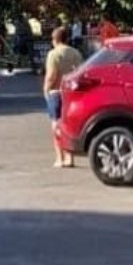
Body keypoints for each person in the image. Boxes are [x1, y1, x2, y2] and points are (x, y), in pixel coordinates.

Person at [43, 25, 84, 168]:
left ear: (54, 39)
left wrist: (46, 89)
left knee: (56, 124)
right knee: (68, 125)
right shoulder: (76, 53)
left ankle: (59, 158)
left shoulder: (53, 54)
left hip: (56, 92)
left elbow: (51, 75)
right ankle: (70, 157)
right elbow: (80, 72)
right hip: (71, 92)